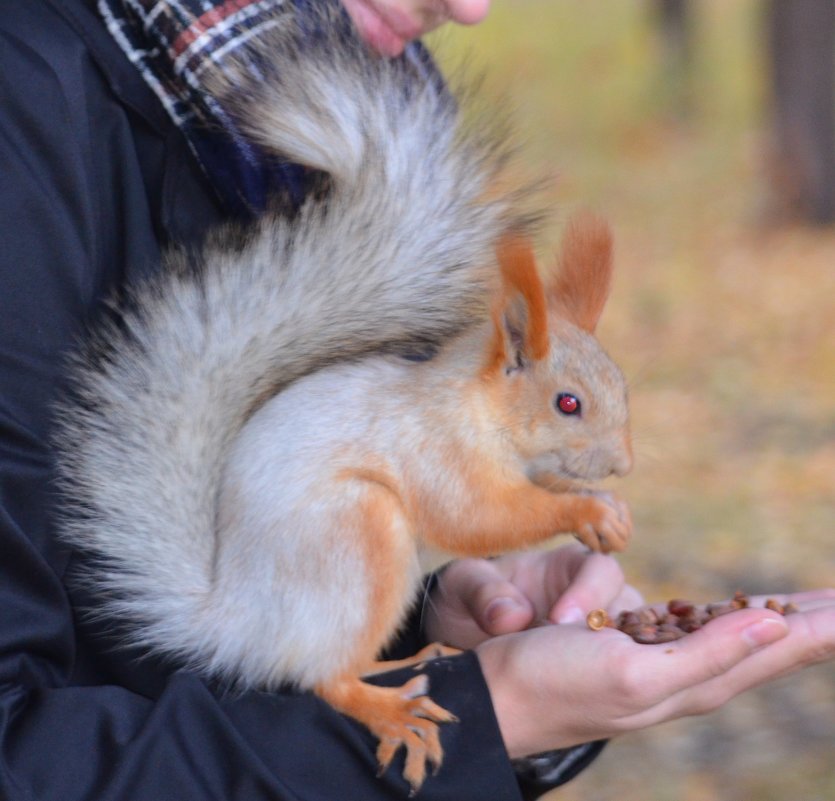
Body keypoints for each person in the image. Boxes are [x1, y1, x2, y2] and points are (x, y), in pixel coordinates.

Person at [1, 1, 833, 800]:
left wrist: (439, 637)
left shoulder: (291, 137)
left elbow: (215, 656)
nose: (471, 8)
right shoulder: (27, 117)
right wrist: (485, 711)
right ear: (507, 362)